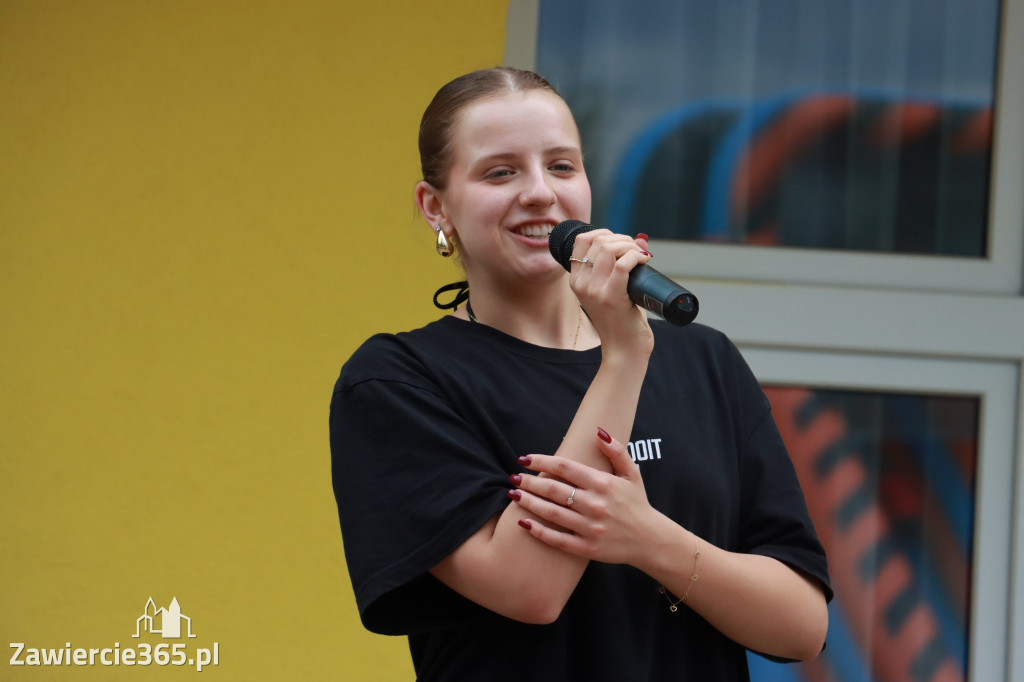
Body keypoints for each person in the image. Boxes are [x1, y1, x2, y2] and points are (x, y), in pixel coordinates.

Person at [330, 66, 832, 681]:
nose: (540, 192)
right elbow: (530, 590)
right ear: (436, 206)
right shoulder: (400, 382)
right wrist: (623, 355)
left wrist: (650, 540)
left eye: (562, 166)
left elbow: (802, 627)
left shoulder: (705, 362)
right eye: (500, 171)